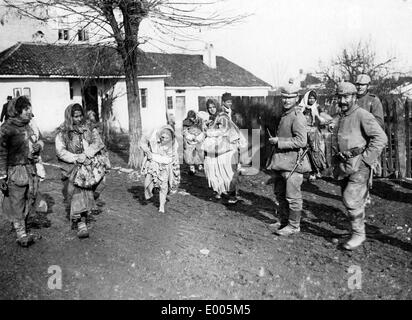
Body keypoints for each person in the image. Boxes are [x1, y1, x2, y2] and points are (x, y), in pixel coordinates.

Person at [333, 82, 387, 250]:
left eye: (346, 96)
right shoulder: (341, 116)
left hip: (360, 164)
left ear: (354, 97)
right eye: (340, 97)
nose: (343, 100)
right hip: (345, 164)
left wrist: (366, 160)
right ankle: (354, 232)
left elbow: (381, 138)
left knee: (351, 197)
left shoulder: (363, 115)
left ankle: (358, 235)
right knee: (348, 199)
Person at [55, 103, 109, 239]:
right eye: (75, 116)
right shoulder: (63, 132)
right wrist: (76, 158)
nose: (79, 119)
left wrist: (87, 154)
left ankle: (84, 213)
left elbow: (97, 142)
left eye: (80, 116)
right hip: (72, 167)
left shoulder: (89, 127)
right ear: (69, 117)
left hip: (89, 165)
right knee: (77, 193)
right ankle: (81, 223)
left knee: (94, 188)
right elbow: (60, 151)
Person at [267, 83, 311, 236]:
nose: (286, 100)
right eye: (284, 97)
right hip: (281, 163)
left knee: (292, 196)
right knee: (280, 193)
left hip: (293, 164)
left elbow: (301, 141)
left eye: (290, 98)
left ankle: (294, 225)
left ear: (297, 98)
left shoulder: (298, 117)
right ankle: (283, 221)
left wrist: (279, 141)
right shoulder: (284, 115)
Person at [0, 96, 43, 247]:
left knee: (29, 198)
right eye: (26, 109)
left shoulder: (28, 126)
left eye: (30, 109)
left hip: (29, 169)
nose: (29, 112)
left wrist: (38, 146)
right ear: (17, 111)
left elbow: (37, 140)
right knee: (17, 201)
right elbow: (1, 153)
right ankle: (21, 233)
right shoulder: (6, 129)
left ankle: (22, 225)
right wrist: (2, 176)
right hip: (15, 171)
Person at [202, 93, 246, 204]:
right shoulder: (212, 118)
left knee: (227, 171)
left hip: (226, 148)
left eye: (213, 107)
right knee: (216, 170)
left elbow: (224, 130)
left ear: (217, 106)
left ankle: (232, 195)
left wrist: (209, 132)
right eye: (209, 108)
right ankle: (220, 191)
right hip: (216, 149)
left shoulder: (222, 116)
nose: (211, 109)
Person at [140, 125, 180, 213]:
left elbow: (174, 157)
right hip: (153, 163)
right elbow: (142, 142)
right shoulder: (153, 136)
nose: (164, 139)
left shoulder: (174, 144)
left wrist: (175, 169)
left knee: (164, 185)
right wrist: (147, 151)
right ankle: (152, 190)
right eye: (163, 137)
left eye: (167, 138)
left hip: (165, 165)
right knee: (148, 182)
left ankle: (162, 205)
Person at [299, 90, 331, 181]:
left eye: (313, 98)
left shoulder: (317, 107)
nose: (312, 100)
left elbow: (322, 116)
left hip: (314, 133)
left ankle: (317, 170)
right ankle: (307, 171)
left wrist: (325, 120)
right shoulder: (301, 107)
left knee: (315, 151)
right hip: (303, 132)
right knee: (304, 151)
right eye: (310, 98)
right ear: (307, 98)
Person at [182, 110, 205, 175]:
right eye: (191, 118)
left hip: (198, 139)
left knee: (199, 152)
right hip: (189, 140)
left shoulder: (199, 121)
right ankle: (191, 167)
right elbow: (184, 131)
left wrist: (200, 136)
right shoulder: (185, 122)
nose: (192, 119)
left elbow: (203, 129)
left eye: (193, 117)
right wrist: (189, 136)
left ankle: (200, 165)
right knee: (189, 153)